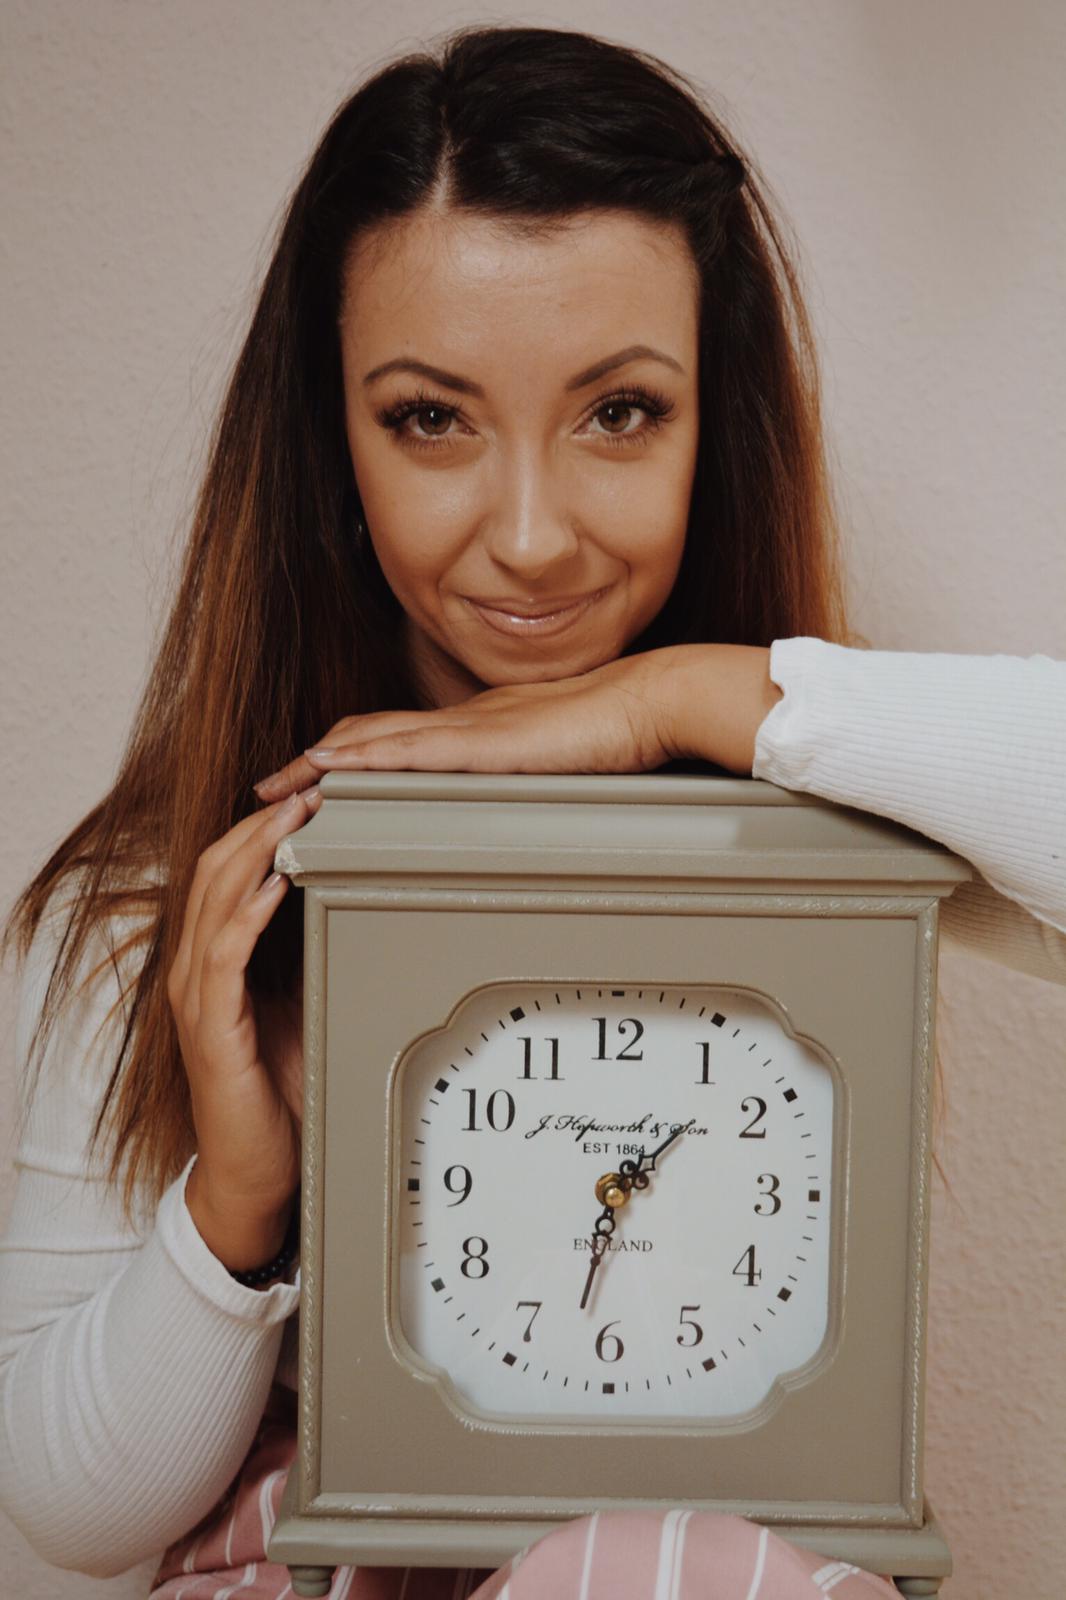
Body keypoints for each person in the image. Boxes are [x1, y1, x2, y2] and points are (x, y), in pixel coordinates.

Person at [1, 22, 1063, 1600]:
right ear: (330, 438)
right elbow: (71, 1512)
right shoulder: (179, 899)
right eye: (429, 418)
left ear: (715, 423)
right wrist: (238, 1198)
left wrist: (678, 701)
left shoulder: (839, 834)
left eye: (618, 411)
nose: (530, 536)